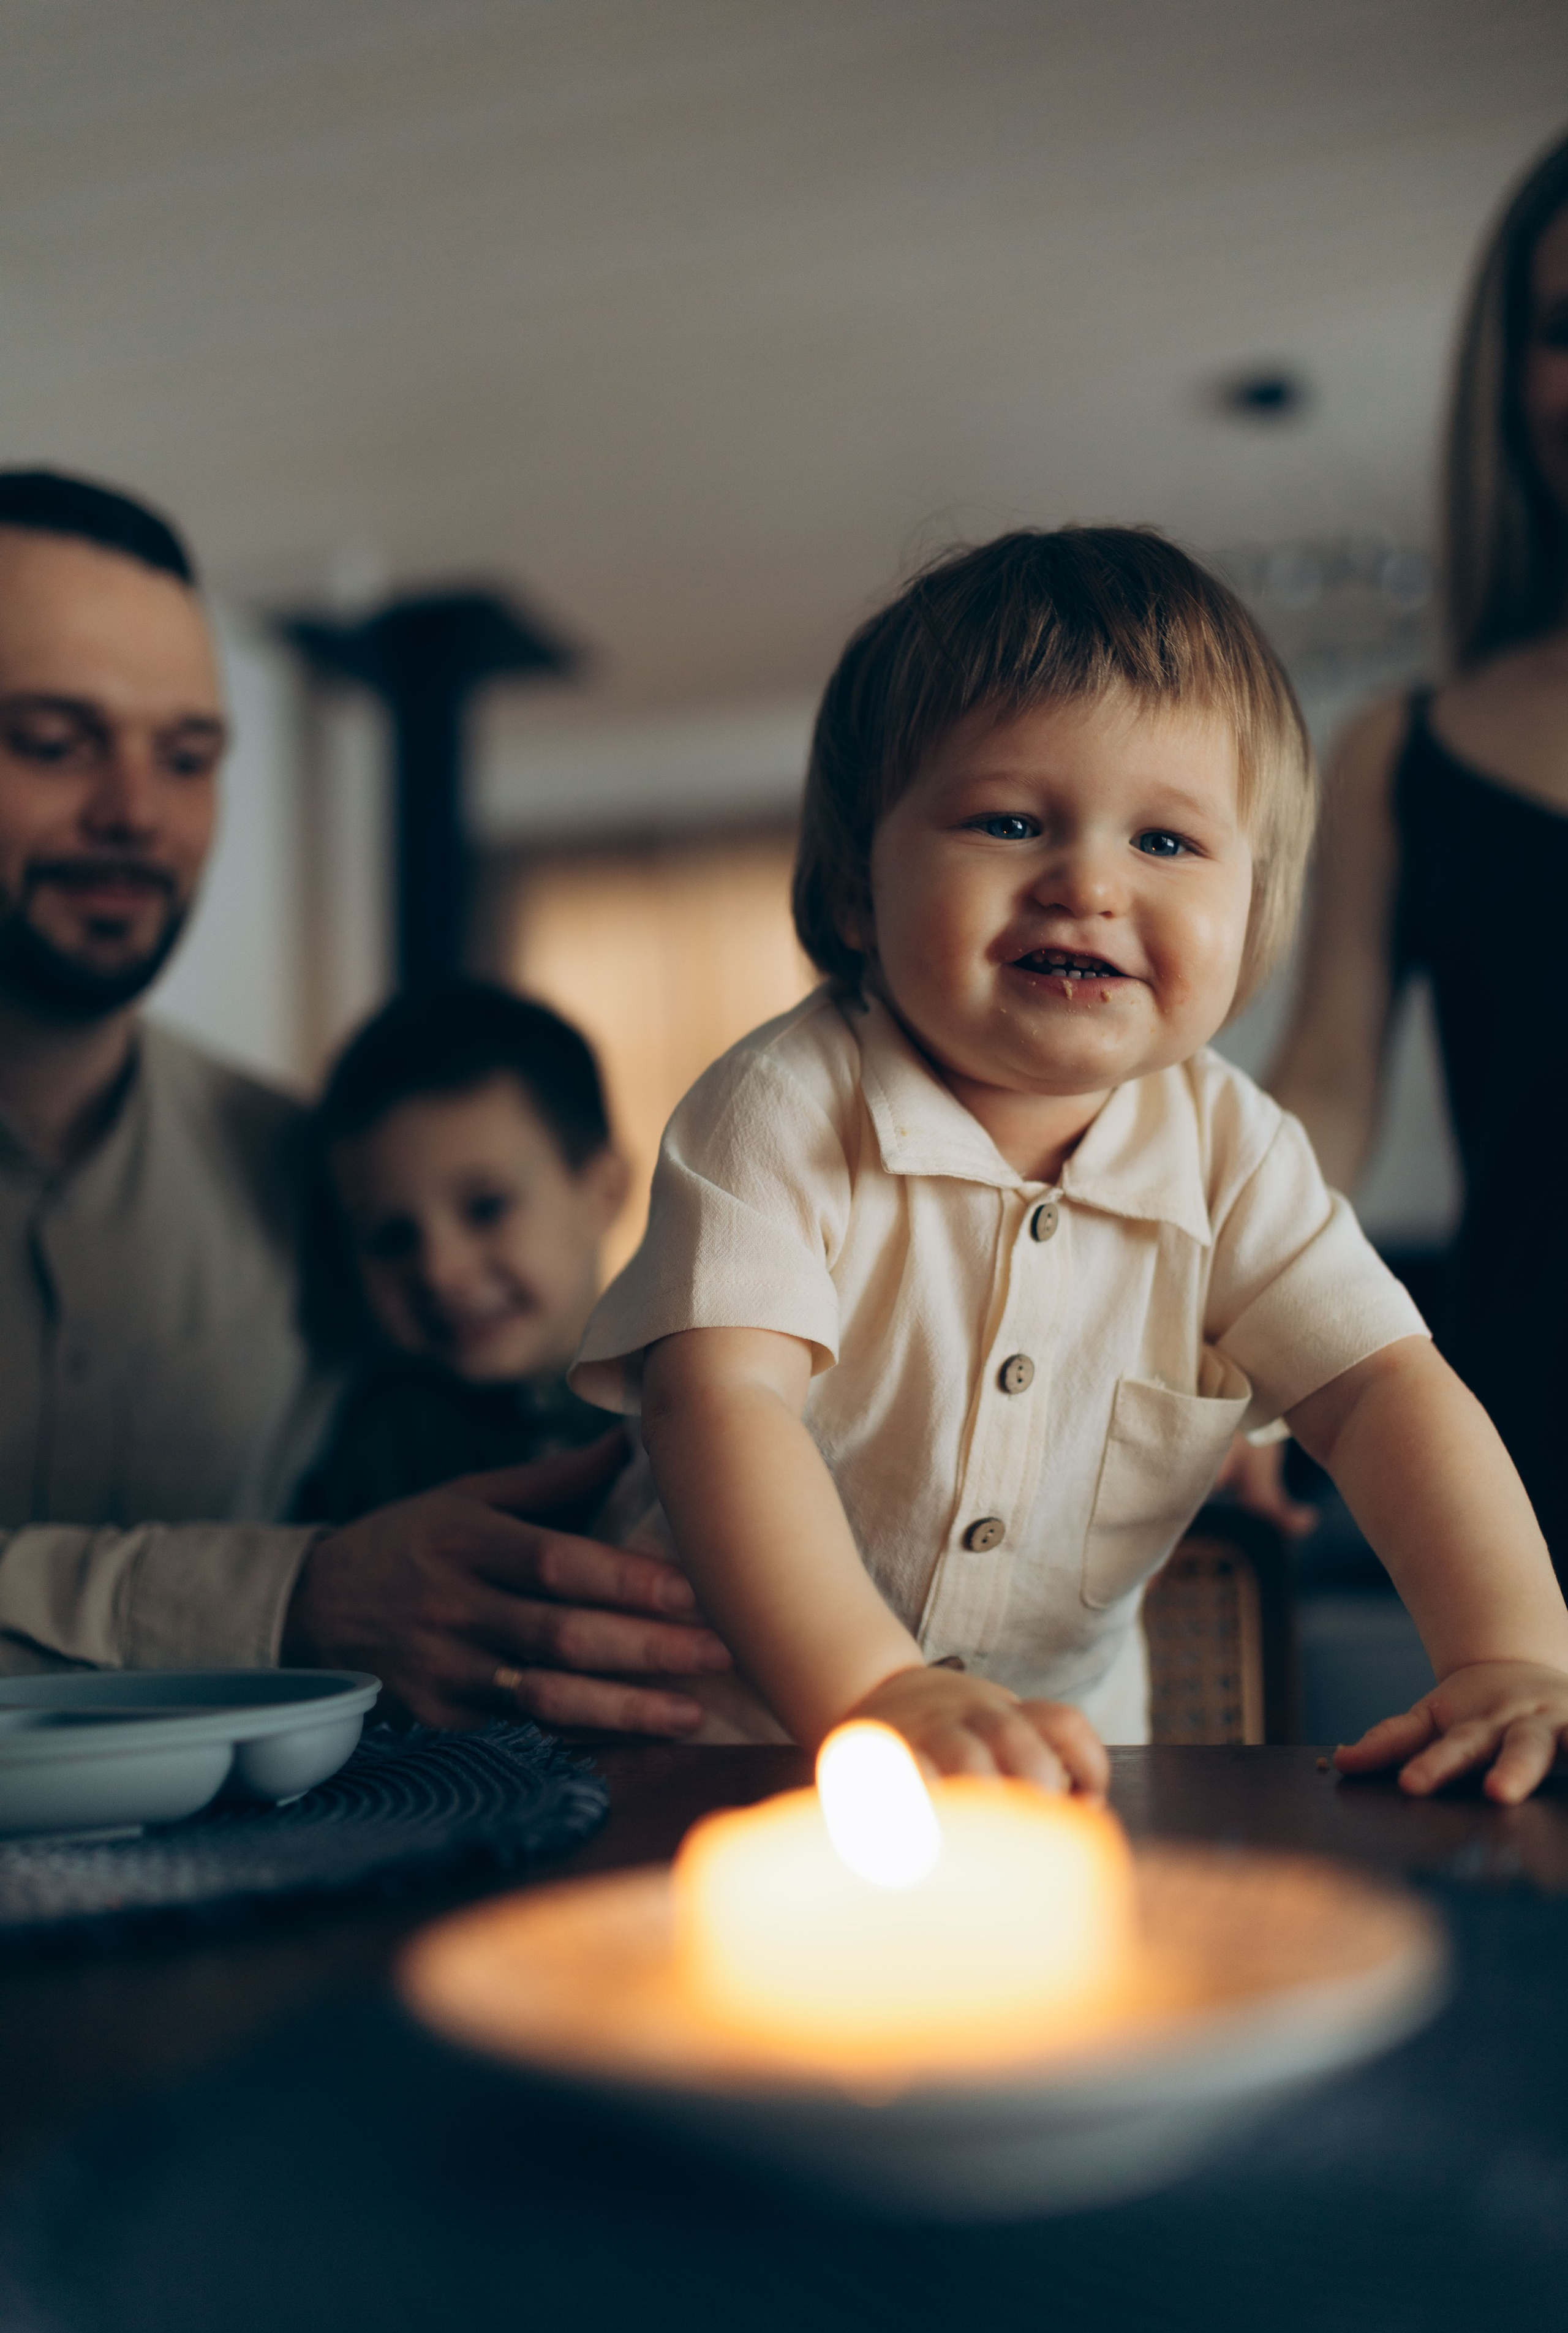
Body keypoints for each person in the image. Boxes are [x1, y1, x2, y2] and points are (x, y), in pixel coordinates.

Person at [573, 526, 1568, 1804]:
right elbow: (723, 1404)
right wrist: (876, 1693)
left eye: (1165, 844)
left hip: (1057, 1764)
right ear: (853, 890)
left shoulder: (1231, 1151)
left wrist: (1510, 1650)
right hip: (716, 1748)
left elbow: (1380, 1394)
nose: (1086, 883)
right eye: (1008, 820)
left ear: (1251, 917)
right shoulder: (778, 1107)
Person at [0, 465, 726, 1733]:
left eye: (187, 756)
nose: (133, 812)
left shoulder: (296, 1170)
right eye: (54, 743)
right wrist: (280, 1602)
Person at [1268, 128, 1568, 1585]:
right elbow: (1323, 1080)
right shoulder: (1402, 748)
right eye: (1563, 331)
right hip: (1532, 1404)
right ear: (1507, 381)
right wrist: (1207, 1320)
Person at [293, 982, 628, 1522]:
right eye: (390, 1236)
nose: (439, 1272)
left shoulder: (694, 1393)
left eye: (487, 1208)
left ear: (603, 1192)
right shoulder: (380, 1449)